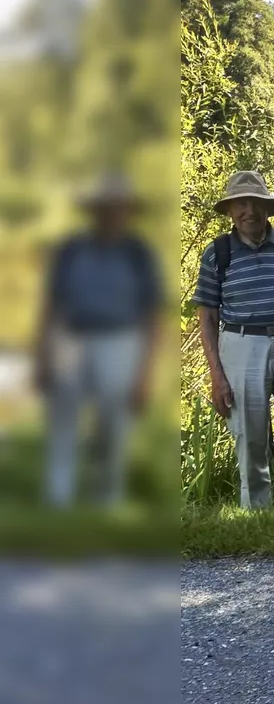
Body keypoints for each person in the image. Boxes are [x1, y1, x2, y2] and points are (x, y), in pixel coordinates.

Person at [192, 170, 274, 511]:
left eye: (255, 203)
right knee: (249, 438)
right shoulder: (216, 253)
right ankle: (257, 516)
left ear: (267, 208)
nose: (248, 211)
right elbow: (206, 318)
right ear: (230, 211)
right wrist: (216, 375)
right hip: (241, 345)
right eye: (240, 204)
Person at [36, 173, 161, 507]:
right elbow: (51, 304)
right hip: (71, 338)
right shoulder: (71, 249)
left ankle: (107, 498)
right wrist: (43, 355)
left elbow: (153, 312)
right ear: (94, 211)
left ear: (127, 212)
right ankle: (58, 500)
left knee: (113, 420)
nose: (111, 214)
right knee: (63, 419)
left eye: (118, 208)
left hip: (120, 341)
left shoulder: (139, 253)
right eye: (105, 208)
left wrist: (145, 373)